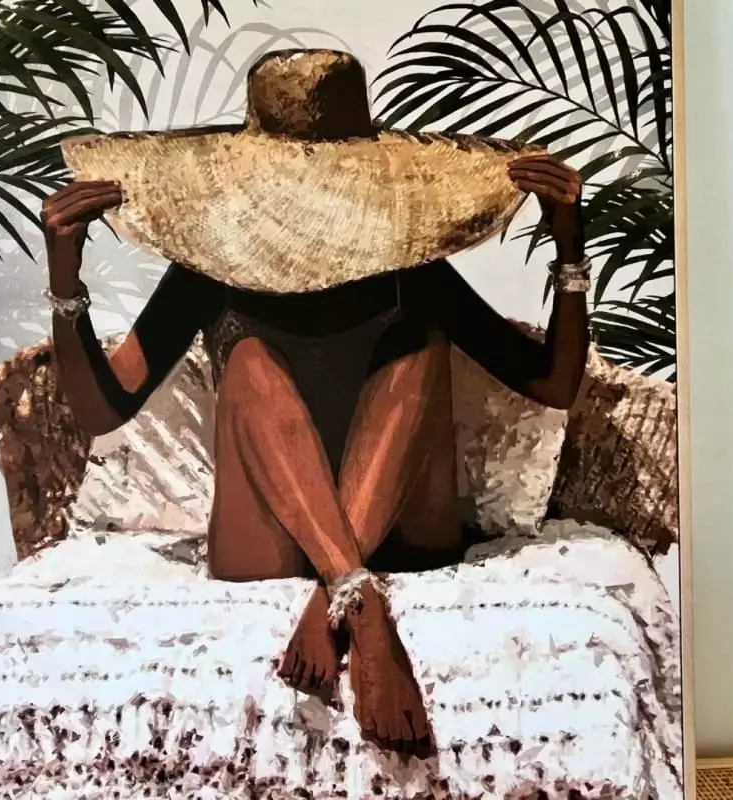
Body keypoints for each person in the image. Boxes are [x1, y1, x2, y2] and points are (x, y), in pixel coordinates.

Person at [40, 49, 589, 760]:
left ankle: (340, 591)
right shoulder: (213, 267)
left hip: (403, 536)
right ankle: (361, 601)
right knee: (250, 364)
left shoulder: (409, 265)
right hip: (265, 543)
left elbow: (553, 386)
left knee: (417, 347)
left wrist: (569, 250)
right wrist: (65, 281)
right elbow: (101, 413)